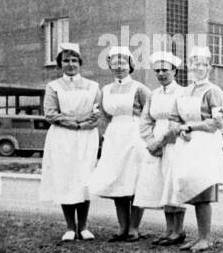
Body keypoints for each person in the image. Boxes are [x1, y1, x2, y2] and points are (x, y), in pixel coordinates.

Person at [166, 47, 223, 253]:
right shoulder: (183, 92)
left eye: (203, 64)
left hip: (206, 144)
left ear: (210, 67)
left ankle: (205, 237)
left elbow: (217, 122)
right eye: (194, 63)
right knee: (191, 188)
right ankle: (199, 236)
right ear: (188, 66)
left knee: (203, 190)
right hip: (187, 145)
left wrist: (191, 127)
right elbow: (175, 118)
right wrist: (180, 130)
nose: (198, 68)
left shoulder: (214, 92)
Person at [38, 44, 101, 242]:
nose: (70, 64)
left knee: (84, 179)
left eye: (74, 60)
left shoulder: (93, 86)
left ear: (80, 63)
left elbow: (98, 112)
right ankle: (69, 227)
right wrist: (73, 123)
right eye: (66, 60)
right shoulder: (53, 87)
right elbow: (50, 113)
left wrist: (84, 125)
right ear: (60, 64)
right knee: (65, 178)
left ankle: (83, 226)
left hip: (86, 136)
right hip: (62, 137)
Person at [87, 45, 151, 240]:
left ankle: (134, 228)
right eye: (114, 63)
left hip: (135, 137)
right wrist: (106, 134)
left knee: (135, 182)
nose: (119, 67)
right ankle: (122, 227)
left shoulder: (139, 88)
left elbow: (150, 112)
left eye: (122, 63)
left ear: (130, 65)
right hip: (114, 139)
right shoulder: (104, 90)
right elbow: (102, 116)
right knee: (117, 181)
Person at [135, 51, 187, 246]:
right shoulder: (154, 94)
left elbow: (181, 122)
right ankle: (168, 230)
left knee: (174, 184)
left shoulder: (183, 93)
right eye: (157, 71)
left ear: (174, 70)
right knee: (162, 185)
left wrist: (162, 142)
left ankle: (178, 230)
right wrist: (150, 142)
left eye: (165, 70)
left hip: (175, 143)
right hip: (156, 144)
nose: (161, 74)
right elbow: (145, 120)